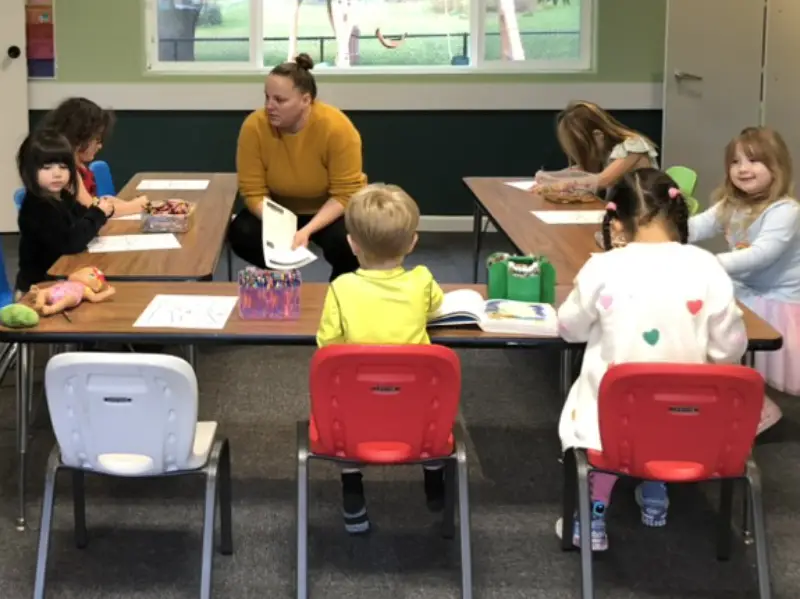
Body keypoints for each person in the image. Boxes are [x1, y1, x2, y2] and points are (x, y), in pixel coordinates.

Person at [556, 168, 748, 551]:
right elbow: (729, 349)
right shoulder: (708, 266)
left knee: (600, 403)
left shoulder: (603, 266)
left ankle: (592, 517)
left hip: (613, 419)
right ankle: (657, 492)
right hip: (688, 418)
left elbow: (570, 329)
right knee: (665, 401)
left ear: (617, 222)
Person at [316, 183, 446, 534]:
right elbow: (436, 307)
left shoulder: (341, 288)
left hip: (357, 414)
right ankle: (434, 478)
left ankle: (353, 490)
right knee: (435, 413)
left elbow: (327, 346)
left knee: (340, 406)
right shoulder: (422, 281)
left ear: (351, 244)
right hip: (419, 415)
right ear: (412, 243)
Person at [690, 126, 798, 420]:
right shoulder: (731, 203)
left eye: (753, 160)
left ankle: (761, 410)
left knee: (724, 343)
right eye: (735, 162)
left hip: (775, 299)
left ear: (776, 167)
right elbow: (696, 226)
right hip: (743, 288)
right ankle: (731, 402)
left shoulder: (785, 210)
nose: (743, 169)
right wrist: (660, 234)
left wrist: (707, 262)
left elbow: (761, 255)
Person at [229, 53, 365, 281]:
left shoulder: (337, 128)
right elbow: (253, 192)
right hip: (278, 209)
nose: (269, 106)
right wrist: (281, 225)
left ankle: (340, 294)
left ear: (305, 100)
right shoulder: (254, 126)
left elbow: (345, 194)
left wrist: (307, 230)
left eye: (280, 100)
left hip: (328, 210)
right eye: (267, 98)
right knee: (242, 233)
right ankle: (283, 280)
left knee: (350, 243)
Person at [539, 100, 660, 249]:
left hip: (645, 222)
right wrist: (550, 179)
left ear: (598, 136)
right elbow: (579, 172)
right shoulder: (608, 151)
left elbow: (603, 180)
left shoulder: (633, 147)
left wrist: (561, 183)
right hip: (624, 219)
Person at [15, 129, 114, 293]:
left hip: (62, 276)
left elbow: (82, 218)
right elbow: (71, 243)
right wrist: (97, 214)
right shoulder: (38, 206)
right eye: (47, 168)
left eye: (63, 167)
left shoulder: (61, 196)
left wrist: (99, 211)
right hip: (38, 287)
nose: (57, 174)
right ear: (29, 171)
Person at [37, 97, 147, 217]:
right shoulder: (65, 172)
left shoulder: (77, 166)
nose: (99, 146)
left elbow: (90, 201)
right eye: (97, 139)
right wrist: (135, 206)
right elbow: (91, 208)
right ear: (80, 137)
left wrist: (111, 201)